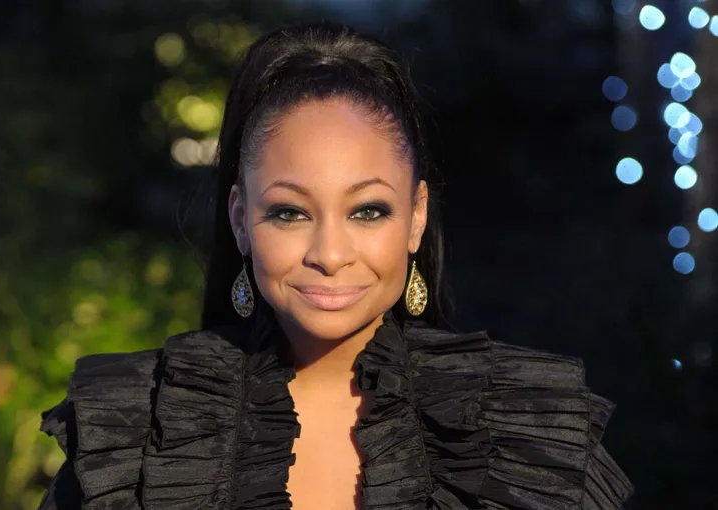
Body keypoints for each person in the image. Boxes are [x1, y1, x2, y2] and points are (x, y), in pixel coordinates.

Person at [37, 20, 634, 510]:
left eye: (368, 211)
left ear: (416, 217)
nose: (328, 254)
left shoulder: (527, 432)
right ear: (241, 219)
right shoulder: (136, 429)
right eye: (290, 213)